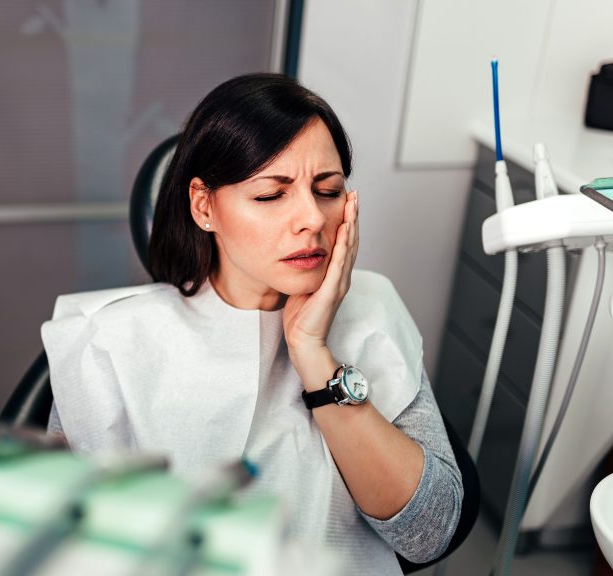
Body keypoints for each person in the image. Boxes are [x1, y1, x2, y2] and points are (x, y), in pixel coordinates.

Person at [41, 73, 462, 575]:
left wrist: (313, 354)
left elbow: (430, 533)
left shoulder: (372, 309)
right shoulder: (112, 343)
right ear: (204, 206)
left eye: (327, 190)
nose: (311, 217)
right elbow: (64, 545)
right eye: (270, 195)